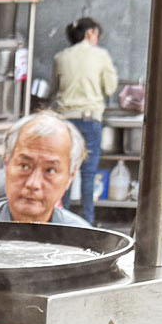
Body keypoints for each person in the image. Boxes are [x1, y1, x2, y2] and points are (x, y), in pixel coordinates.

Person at [0, 112, 89, 227]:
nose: (33, 184)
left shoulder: (85, 241)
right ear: (6, 164)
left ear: (70, 177)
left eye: (50, 171)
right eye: (24, 166)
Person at [54, 16, 118, 224]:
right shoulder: (101, 56)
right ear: (90, 33)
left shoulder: (60, 56)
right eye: (96, 34)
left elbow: (54, 89)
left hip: (65, 122)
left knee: (65, 172)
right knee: (88, 175)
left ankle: (60, 220)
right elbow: (110, 88)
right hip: (90, 120)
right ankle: (88, 223)